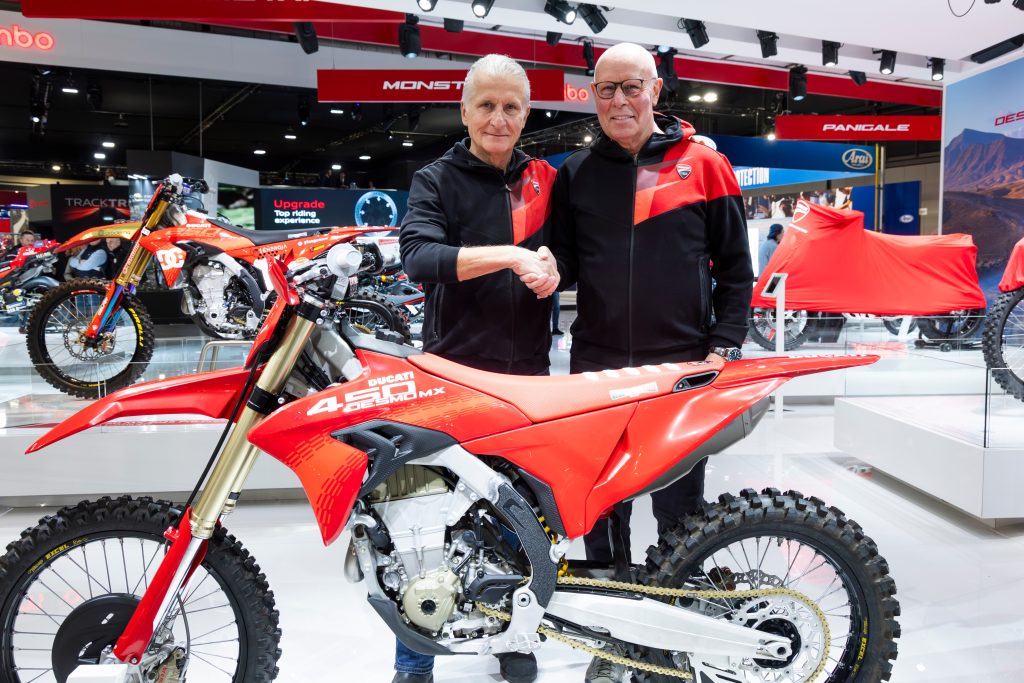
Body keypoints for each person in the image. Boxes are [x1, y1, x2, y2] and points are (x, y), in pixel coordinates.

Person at [544, 43, 754, 682]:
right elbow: (566, 263)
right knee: (602, 508)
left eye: (630, 87)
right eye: (605, 90)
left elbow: (737, 272)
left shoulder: (706, 167)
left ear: (655, 90)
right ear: (593, 96)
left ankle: (665, 645)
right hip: (598, 366)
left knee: (677, 506)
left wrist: (724, 345)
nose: (618, 102)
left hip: (679, 368)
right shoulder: (577, 174)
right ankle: (614, 644)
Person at [397, 53, 558, 683]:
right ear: (465, 110)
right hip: (452, 376)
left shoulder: (544, 178)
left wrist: (552, 266)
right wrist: (512, 256)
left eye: (510, 106)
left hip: (526, 384)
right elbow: (419, 257)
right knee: (426, 525)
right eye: (485, 105)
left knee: (523, 521)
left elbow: (562, 253)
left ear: (526, 113)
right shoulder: (434, 179)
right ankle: (413, 661)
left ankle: (514, 639)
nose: (498, 118)